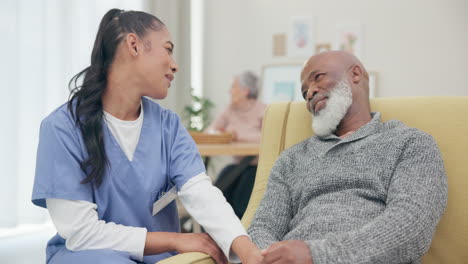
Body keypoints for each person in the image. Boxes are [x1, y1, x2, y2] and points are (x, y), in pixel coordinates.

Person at [31, 9, 261, 264]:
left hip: (158, 257)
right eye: (168, 49)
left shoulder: (168, 126)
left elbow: (201, 193)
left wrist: (248, 251)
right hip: (89, 255)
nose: (175, 64)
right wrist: (175, 239)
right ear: (134, 45)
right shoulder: (62, 129)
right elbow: (81, 233)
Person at [247, 51, 448, 264]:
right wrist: (269, 258)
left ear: (355, 74)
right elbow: (263, 227)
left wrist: (315, 255)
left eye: (318, 77)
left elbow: (411, 225)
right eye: (304, 92)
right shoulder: (291, 159)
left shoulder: (409, 143)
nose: (310, 93)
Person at [207, 71, 267, 219]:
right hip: (237, 164)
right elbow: (210, 131)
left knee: (241, 201)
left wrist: (239, 135)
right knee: (218, 194)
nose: (229, 91)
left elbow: (269, 137)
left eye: (233, 87)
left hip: (256, 166)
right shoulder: (229, 109)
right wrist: (223, 133)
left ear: (245, 91)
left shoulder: (263, 110)